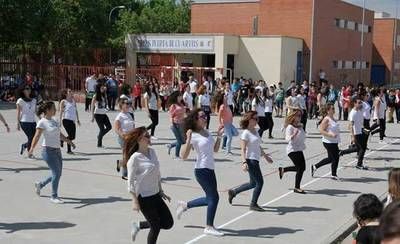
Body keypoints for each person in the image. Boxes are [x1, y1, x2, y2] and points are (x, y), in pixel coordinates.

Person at [177, 109, 224, 236]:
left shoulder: (206, 132)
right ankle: (209, 226)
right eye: (202, 116)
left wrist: (219, 136)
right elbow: (183, 156)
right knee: (214, 198)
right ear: (195, 120)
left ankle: (186, 205)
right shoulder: (193, 135)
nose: (205, 118)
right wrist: (188, 140)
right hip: (201, 170)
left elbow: (215, 150)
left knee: (211, 198)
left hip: (210, 168)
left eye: (205, 115)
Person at [125, 127, 173, 243]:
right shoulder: (134, 158)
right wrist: (135, 201)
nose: (149, 137)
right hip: (144, 197)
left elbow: (157, 172)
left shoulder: (152, 152)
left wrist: (161, 190)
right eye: (146, 136)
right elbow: (130, 182)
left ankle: (139, 225)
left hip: (156, 194)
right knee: (155, 227)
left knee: (168, 223)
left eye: (149, 135)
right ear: (139, 139)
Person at [28, 101, 75, 204]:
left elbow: (59, 134)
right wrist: (31, 149)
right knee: (56, 173)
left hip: (57, 150)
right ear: (47, 110)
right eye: (53, 108)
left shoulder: (54, 120)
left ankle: (40, 184)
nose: (55, 110)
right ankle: (54, 196)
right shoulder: (42, 122)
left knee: (57, 173)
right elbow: (36, 136)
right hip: (47, 151)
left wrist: (69, 142)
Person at [227, 111, 273, 211]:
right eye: (255, 119)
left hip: (256, 159)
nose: (257, 121)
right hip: (250, 160)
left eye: (258, 119)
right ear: (249, 119)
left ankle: (233, 192)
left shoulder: (255, 131)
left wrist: (265, 156)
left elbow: (258, 146)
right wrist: (244, 162)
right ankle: (253, 204)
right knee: (260, 183)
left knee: (252, 183)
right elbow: (242, 150)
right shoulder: (245, 134)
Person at [278, 109, 307, 194]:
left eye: (300, 116)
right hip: (292, 150)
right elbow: (287, 138)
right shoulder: (290, 127)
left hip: (299, 148)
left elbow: (303, 136)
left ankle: (283, 170)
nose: (299, 117)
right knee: (300, 168)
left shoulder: (300, 126)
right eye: (298, 115)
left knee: (302, 168)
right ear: (293, 117)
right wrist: (292, 136)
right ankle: (297, 187)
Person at [311, 103, 340, 180]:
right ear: (328, 111)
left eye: (334, 108)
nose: (334, 110)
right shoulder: (326, 119)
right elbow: (321, 130)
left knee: (330, 159)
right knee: (335, 158)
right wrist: (330, 135)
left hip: (334, 141)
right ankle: (334, 174)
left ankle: (315, 166)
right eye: (332, 108)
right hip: (328, 142)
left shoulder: (333, 118)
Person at [339, 96, 368, 170]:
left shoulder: (360, 110)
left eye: (360, 102)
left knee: (357, 148)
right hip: (356, 133)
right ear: (354, 103)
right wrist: (352, 136)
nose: (360, 104)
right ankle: (359, 164)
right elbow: (350, 125)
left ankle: (341, 152)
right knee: (362, 148)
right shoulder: (352, 113)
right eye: (358, 103)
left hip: (361, 131)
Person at [114, 97, 135, 180]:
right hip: (123, 139)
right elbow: (116, 129)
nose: (128, 105)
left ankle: (120, 163)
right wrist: (123, 135)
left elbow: (133, 126)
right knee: (127, 156)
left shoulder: (129, 114)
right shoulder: (119, 116)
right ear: (121, 105)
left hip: (131, 138)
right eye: (126, 104)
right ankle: (125, 174)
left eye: (129, 104)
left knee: (131, 156)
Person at [16, 85, 37, 155]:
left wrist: (42, 119)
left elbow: (36, 111)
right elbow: (18, 113)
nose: (29, 90)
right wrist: (18, 124)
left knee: (34, 138)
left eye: (29, 88)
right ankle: (29, 153)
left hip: (33, 122)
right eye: (27, 89)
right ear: (23, 91)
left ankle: (24, 145)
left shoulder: (34, 100)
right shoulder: (20, 101)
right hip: (24, 122)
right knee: (30, 137)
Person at [59, 89, 80, 154]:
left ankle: (62, 139)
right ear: (66, 94)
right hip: (65, 120)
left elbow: (76, 110)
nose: (71, 92)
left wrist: (78, 119)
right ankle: (69, 150)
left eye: (71, 91)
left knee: (73, 136)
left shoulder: (73, 101)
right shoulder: (63, 101)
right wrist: (60, 122)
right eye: (69, 91)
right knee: (70, 135)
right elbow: (60, 112)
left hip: (72, 120)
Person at [166, 91, 186, 160]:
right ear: (176, 97)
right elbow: (171, 116)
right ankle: (176, 156)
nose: (181, 97)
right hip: (175, 124)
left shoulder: (181, 104)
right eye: (180, 96)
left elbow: (183, 114)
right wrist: (173, 125)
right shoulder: (173, 106)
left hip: (182, 124)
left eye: (181, 95)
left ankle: (171, 145)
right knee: (180, 141)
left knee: (183, 141)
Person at [91, 83, 112, 148]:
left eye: (103, 88)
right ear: (98, 89)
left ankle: (99, 136)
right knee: (102, 129)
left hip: (104, 114)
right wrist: (92, 116)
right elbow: (92, 106)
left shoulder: (104, 95)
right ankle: (99, 144)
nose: (103, 89)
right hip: (97, 114)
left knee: (109, 127)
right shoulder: (95, 96)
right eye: (102, 88)